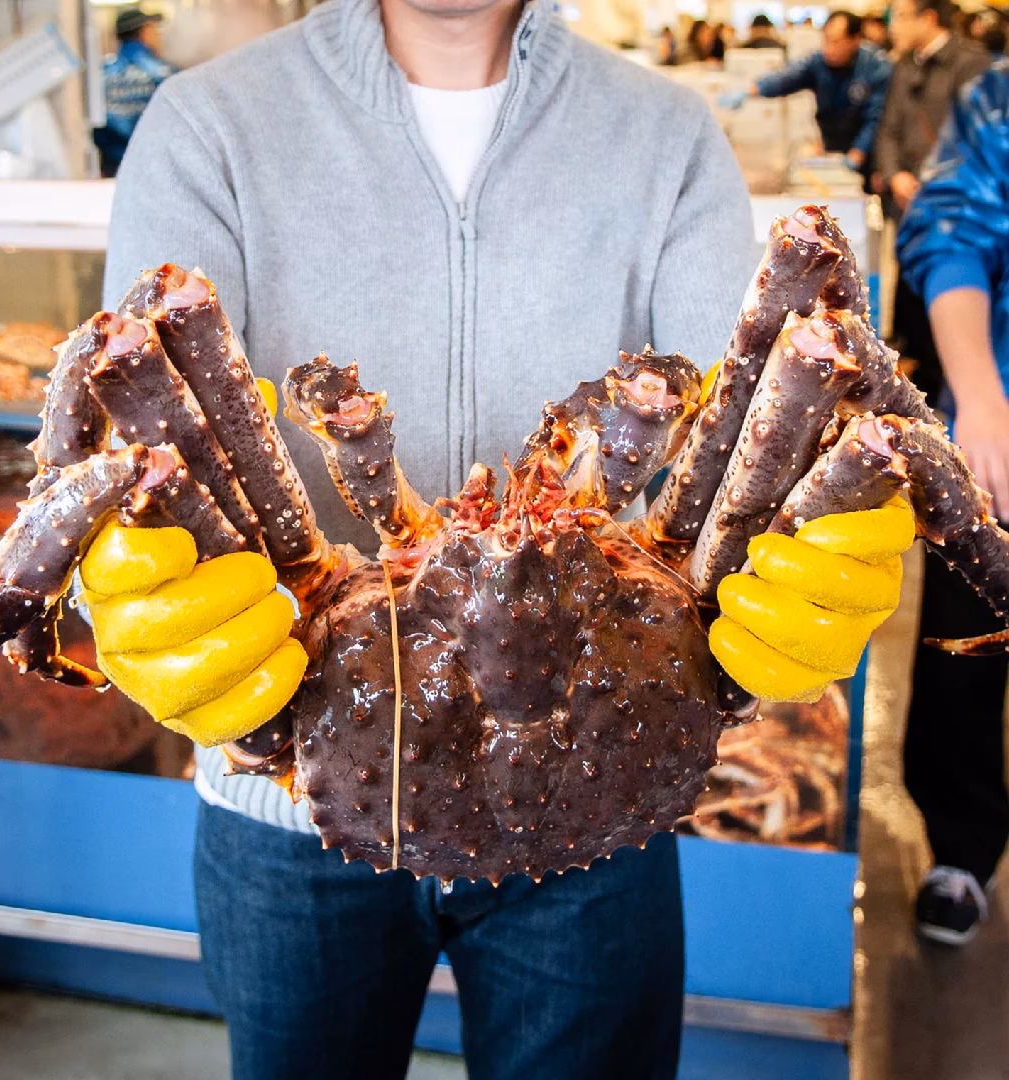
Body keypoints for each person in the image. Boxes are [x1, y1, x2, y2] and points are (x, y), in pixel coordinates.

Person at [92, 0, 911, 1074]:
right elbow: (133, 415)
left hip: (601, 802)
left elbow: (757, 401)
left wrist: (829, 517)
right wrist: (115, 565)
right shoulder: (206, 122)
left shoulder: (666, 132)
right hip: (288, 790)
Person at [897, 60, 1009, 946]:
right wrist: (978, 391)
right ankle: (961, 848)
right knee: (961, 652)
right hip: (997, 432)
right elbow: (952, 224)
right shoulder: (999, 95)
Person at [875, 0, 989, 399]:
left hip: (953, 208)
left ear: (929, 17)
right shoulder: (904, 64)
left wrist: (935, 184)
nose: (893, 26)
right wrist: (894, 173)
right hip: (907, 204)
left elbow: (978, 138)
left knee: (950, 297)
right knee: (910, 292)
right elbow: (887, 128)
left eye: (901, 17)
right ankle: (918, 386)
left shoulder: (971, 63)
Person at [726, 11, 892, 173]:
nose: (829, 48)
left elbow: (877, 117)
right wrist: (752, 90)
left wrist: (859, 151)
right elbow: (788, 76)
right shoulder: (818, 62)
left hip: (869, 155)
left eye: (836, 41)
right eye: (826, 40)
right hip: (833, 145)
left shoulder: (875, 66)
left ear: (855, 40)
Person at [91, 6, 176, 178]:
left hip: (113, 169)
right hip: (156, 171)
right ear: (144, 32)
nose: (159, 36)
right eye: (154, 30)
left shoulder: (100, 74)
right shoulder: (166, 75)